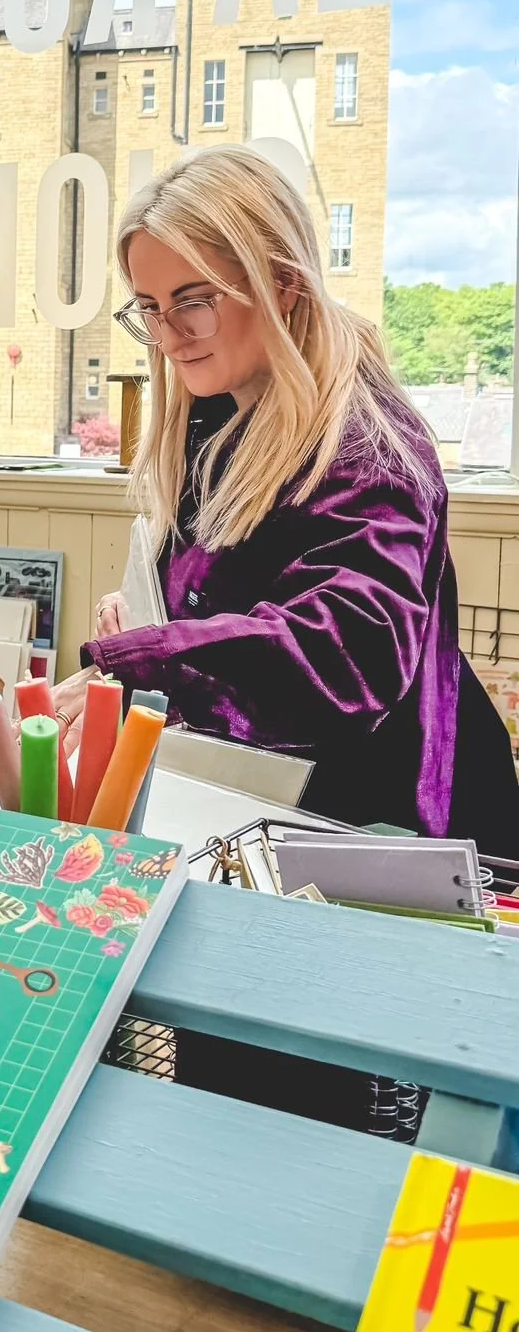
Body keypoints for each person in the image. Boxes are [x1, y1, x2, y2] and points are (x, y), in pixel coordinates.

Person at [54, 146, 519, 852]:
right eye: (149, 308)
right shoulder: (221, 413)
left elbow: (346, 653)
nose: (170, 337)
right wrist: (153, 618)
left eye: (194, 302)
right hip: (262, 805)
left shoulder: (368, 448)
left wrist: (149, 658)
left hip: (379, 828)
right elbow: (236, 605)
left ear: (284, 284)